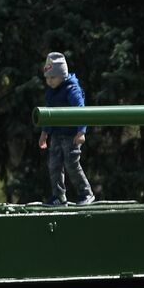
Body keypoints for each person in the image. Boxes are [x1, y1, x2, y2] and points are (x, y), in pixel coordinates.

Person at [38, 52, 95, 206]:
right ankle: (58, 196)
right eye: (47, 78)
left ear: (62, 75)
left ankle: (86, 192)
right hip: (56, 134)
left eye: (53, 77)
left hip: (72, 135)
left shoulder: (72, 89)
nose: (49, 81)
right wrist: (44, 134)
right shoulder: (51, 92)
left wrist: (81, 131)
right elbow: (50, 115)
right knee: (54, 165)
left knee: (71, 163)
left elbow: (80, 110)